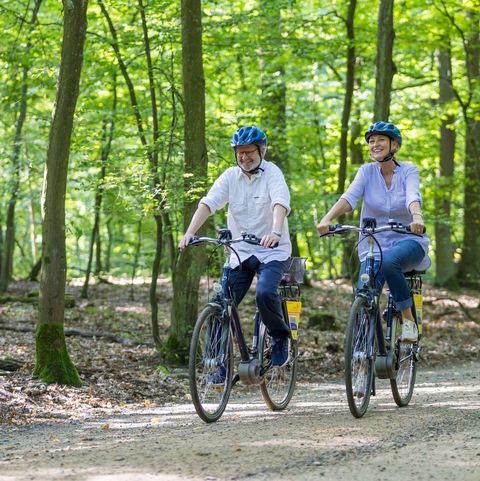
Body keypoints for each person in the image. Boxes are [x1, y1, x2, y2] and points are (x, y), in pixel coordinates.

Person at [179, 125, 292, 370]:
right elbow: (209, 203)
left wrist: (275, 230)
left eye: (249, 152)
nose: (244, 157)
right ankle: (218, 365)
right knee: (221, 305)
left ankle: (280, 336)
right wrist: (190, 232)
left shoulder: (273, 173)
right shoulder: (230, 176)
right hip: (239, 252)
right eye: (239, 152)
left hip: (272, 250)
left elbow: (280, 202)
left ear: (261, 151)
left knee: (264, 293)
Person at [316, 121, 430, 343]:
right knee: (364, 295)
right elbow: (349, 198)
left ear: (394, 145)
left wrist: (417, 217)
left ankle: (408, 321)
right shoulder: (366, 172)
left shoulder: (408, 171)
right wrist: (327, 218)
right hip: (373, 245)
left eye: (380, 140)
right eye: (371, 141)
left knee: (389, 262)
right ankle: (362, 355)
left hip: (409, 240)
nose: (374, 144)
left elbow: (412, 197)